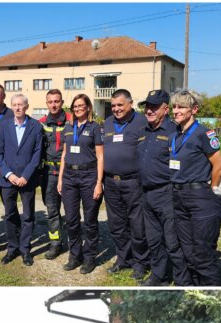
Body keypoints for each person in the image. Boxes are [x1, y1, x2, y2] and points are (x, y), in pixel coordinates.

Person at [169, 89, 221, 286]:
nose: (176, 111)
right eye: (174, 106)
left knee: (202, 252)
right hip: (178, 197)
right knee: (187, 249)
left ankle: (212, 291)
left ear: (194, 109)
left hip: (200, 197)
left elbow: (218, 167)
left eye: (181, 107)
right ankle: (195, 289)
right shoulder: (176, 134)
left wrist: (213, 189)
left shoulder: (204, 133)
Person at [139, 89, 190, 286]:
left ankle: (181, 280)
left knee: (172, 241)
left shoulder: (174, 131)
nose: (149, 111)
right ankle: (159, 275)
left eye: (154, 107)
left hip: (167, 193)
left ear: (165, 109)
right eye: (147, 107)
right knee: (153, 239)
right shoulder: (145, 131)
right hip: (147, 193)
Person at [102, 89, 150, 280]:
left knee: (137, 225)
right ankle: (123, 259)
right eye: (113, 105)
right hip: (111, 182)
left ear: (130, 103)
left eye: (120, 105)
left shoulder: (142, 123)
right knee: (116, 224)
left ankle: (140, 263)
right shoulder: (107, 123)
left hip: (133, 182)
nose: (116, 109)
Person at [0, 93, 43, 266]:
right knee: (10, 214)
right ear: (11, 106)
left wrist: (25, 176)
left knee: (28, 216)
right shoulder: (4, 126)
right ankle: (12, 248)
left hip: (27, 179)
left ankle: (25, 249)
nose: (17, 108)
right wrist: (9, 174)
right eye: (14, 105)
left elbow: (37, 154)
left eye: (21, 105)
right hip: (8, 180)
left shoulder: (36, 127)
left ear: (27, 106)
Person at [58, 93, 104, 274]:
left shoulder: (94, 128)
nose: (78, 109)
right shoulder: (68, 129)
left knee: (90, 220)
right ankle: (74, 255)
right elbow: (63, 155)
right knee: (71, 219)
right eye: (75, 106)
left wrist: (99, 182)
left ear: (88, 108)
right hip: (69, 176)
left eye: (81, 106)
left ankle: (89, 257)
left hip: (89, 176)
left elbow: (100, 156)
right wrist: (61, 178)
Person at [38, 89, 71, 259]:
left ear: (62, 102)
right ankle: (55, 243)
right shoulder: (41, 123)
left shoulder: (72, 122)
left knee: (71, 210)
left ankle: (74, 242)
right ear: (46, 103)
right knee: (51, 210)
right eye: (50, 101)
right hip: (49, 173)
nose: (53, 104)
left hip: (68, 173)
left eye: (56, 101)